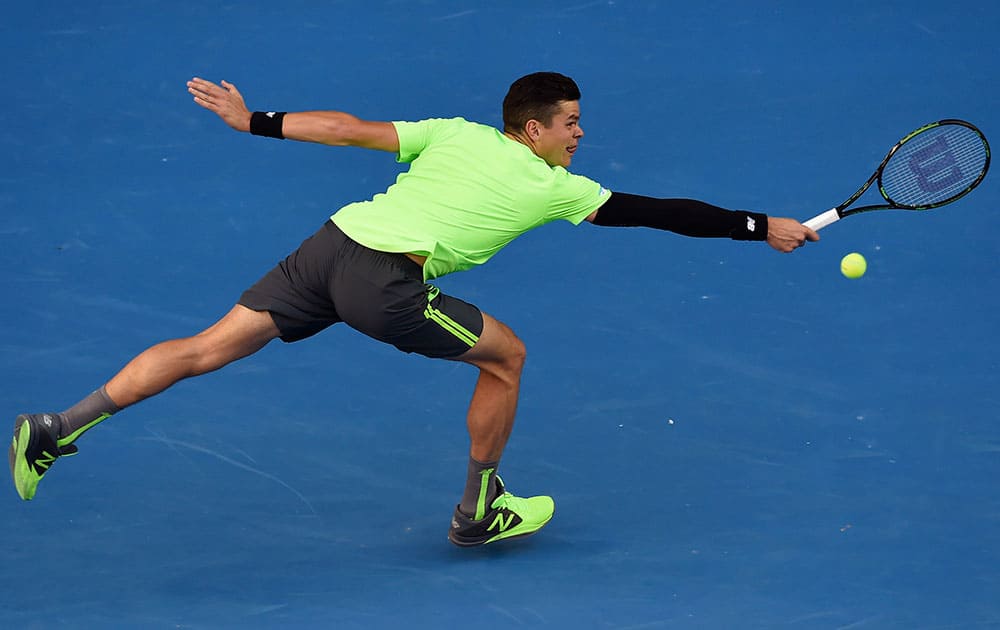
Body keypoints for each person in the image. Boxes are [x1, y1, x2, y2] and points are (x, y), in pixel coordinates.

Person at [9, 72, 818, 546]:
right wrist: (761, 227)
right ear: (533, 130)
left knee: (205, 347)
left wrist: (252, 120)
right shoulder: (556, 186)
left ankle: (56, 426)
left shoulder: (456, 132)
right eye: (569, 125)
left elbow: (348, 130)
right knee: (507, 357)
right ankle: (478, 510)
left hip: (328, 247)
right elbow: (660, 211)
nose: (580, 136)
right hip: (383, 283)